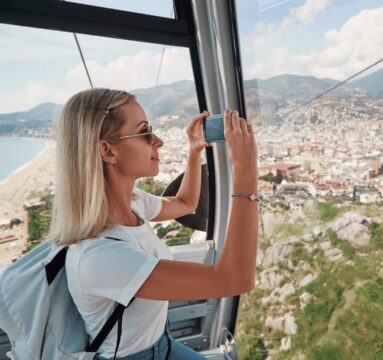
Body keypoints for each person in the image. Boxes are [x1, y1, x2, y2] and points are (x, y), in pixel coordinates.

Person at [47, 88, 258, 359]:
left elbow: (185, 203)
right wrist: (246, 170)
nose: (157, 141)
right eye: (144, 131)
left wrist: (194, 151)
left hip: (163, 344)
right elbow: (235, 279)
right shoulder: (99, 255)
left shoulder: (133, 203)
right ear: (107, 150)